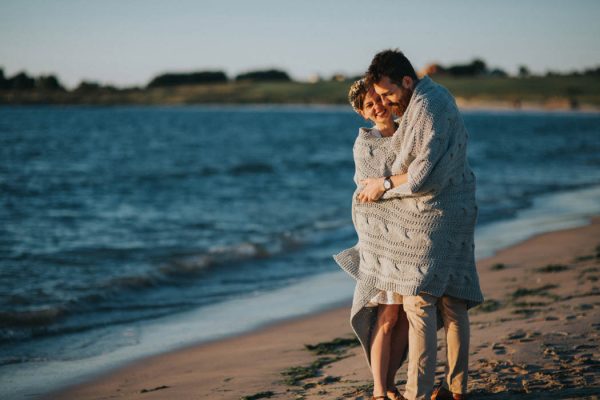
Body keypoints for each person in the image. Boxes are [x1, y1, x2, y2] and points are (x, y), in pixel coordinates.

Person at [335, 49, 484, 400]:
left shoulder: (426, 107)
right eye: (375, 100)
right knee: (453, 301)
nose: (384, 102)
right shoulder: (435, 97)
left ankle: (418, 393)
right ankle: (456, 389)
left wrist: (382, 185)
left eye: (386, 94)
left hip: (437, 216)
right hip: (457, 210)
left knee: (420, 303)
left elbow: (420, 177)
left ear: (405, 81)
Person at [340, 78, 410, 400]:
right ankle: (379, 390)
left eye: (379, 99)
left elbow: (418, 174)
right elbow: (371, 189)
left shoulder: (409, 131)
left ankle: (391, 383)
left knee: (406, 316)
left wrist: (394, 183)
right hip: (382, 241)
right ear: (362, 113)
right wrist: (395, 183)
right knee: (386, 314)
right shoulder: (364, 144)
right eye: (370, 105)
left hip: (411, 239)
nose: (378, 107)